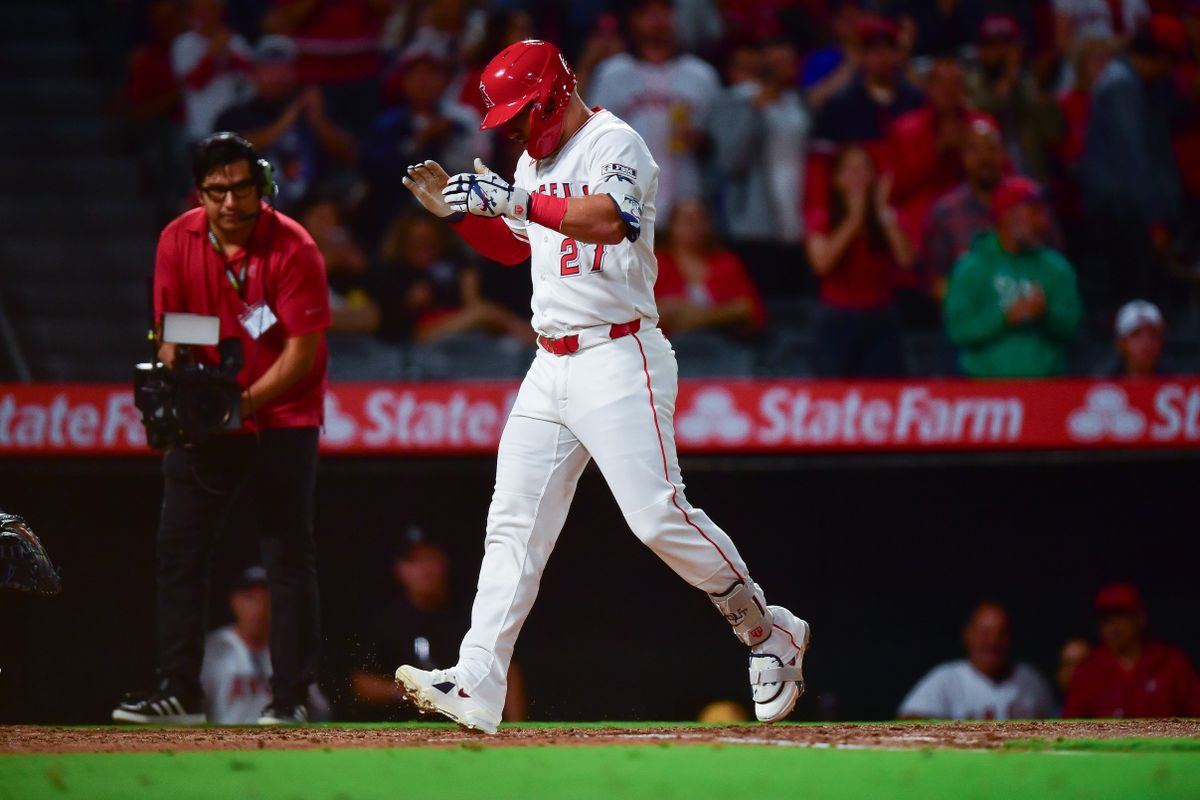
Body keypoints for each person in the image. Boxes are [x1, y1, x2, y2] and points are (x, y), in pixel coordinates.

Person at [396, 39, 810, 734]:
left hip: (619, 355)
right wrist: (462, 217)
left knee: (655, 516)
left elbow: (610, 221)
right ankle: (476, 681)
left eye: (523, 115)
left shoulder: (618, 141)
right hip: (549, 362)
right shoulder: (532, 158)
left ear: (557, 94)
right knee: (513, 527)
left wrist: (516, 197)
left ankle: (767, 630)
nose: (519, 132)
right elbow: (522, 241)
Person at [113, 133, 330, 725]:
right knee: (178, 550)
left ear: (261, 185)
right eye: (216, 191)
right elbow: (178, 329)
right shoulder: (176, 239)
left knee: (287, 551)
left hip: (283, 414)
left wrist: (241, 404)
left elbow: (302, 353)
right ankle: (179, 692)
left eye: (241, 188)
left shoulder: (294, 247)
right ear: (200, 192)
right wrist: (177, 390)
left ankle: (289, 700)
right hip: (212, 416)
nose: (230, 203)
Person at [351, 530, 527, 722]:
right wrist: (410, 691)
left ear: (444, 561)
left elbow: (506, 670)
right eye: (413, 561)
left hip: (465, 725)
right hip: (402, 729)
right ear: (399, 569)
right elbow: (361, 682)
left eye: (430, 558)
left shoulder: (472, 615)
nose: (424, 570)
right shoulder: (386, 620)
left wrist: (515, 727)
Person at [1079, 16, 1186, 322]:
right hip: (1125, 218)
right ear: (1159, 56)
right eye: (1170, 61)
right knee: (1134, 308)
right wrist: (1154, 223)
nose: (1171, 70)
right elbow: (1134, 161)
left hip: (1132, 216)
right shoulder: (1121, 85)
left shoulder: (1138, 83)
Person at [590, 0, 722, 226]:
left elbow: (724, 142)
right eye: (648, 13)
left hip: (687, 201)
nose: (657, 20)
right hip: (626, 200)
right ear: (633, 20)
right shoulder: (612, 73)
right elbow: (592, 138)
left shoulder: (702, 75)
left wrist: (703, 141)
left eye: (664, 11)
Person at [944, 176, 1082, 378]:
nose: (1043, 222)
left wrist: (1045, 314)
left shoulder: (1056, 268)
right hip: (988, 397)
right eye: (1034, 212)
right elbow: (958, 330)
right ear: (1007, 214)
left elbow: (1073, 327)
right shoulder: (971, 269)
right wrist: (1005, 317)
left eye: (1044, 212)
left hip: (1048, 390)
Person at [707, 39, 811, 295]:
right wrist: (754, 111)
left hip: (798, 213)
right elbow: (730, 159)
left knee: (795, 300)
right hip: (754, 219)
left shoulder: (796, 100)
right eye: (778, 63)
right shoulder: (735, 100)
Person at [806, 144, 914, 377]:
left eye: (865, 170)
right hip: (836, 319)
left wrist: (882, 212)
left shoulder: (888, 217)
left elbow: (907, 259)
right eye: (850, 170)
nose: (859, 178)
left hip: (881, 318)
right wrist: (853, 221)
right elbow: (821, 263)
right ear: (836, 180)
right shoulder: (823, 217)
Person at [215, 35, 356, 212]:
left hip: (311, 206)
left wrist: (318, 120)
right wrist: (290, 117)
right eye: (270, 68)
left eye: (284, 67)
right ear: (255, 72)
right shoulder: (236, 115)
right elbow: (232, 155)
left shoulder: (313, 108)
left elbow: (350, 153)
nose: (278, 75)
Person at [201, 566, 330, 724]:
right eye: (250, 599)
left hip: (277, 745)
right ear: (234, 601)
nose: (259, 609)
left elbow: (320, 710)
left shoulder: (288, 650)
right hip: (225, 744)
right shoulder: (214, 648)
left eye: (267, 600)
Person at [898, 602, 1055, 720]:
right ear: (968, 635)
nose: (993, 642)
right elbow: (908, 721)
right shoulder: (946, 679)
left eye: (1001, 633)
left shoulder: (1032, 681)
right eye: (985, 633)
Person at [1064, 583, 1200, 718]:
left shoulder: (1172, 662)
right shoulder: (1088, 670)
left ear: (1140, 619)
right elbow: (1070, 730)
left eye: (1121, 616)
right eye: (1105, 619)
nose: (1113, 627)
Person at [967, 13, 1064, 184]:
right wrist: (1008, 81)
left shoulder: (1027, 81)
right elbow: (980, 114)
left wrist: (1041, 91)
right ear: (981, 50)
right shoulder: (970, 80)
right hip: (991, 185)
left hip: (1032, 180)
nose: (1002, 52)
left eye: (1007, 44)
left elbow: (1055, 133)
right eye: (993, 45)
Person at [921, 119, 1007, 301]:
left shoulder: (1028, 202)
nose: (984, 157)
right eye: (975, 149)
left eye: (991, 148)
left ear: (1003, 153)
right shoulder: (945, 212)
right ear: (963, 157)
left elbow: (1054, 261)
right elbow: (935, 280)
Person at [654, 198, 766, 339]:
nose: (695, 226)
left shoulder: (727, 263)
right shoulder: (655, 264)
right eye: (688, 220)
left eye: (701, 219)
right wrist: (725, 315)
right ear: (672, 227)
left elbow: (750, 310)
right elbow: (643, 314)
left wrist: (691, 317)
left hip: (726, 350)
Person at [171, 0, 254, 142]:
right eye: (201, 10)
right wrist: (212, 55)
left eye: (211, 9)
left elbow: (253, 75)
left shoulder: (234, 41)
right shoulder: (184, 44)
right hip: (201, 129)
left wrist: (229, 55)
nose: (206, 15)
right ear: (192, 13)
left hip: (235, 128)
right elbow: (193, 84)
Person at [1099, 299, 1175, 378]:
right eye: (1136, 334)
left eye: (1153, 334)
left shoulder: (1178, 382)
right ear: (1120, 342)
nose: (1146, 341)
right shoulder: (1100, 383)